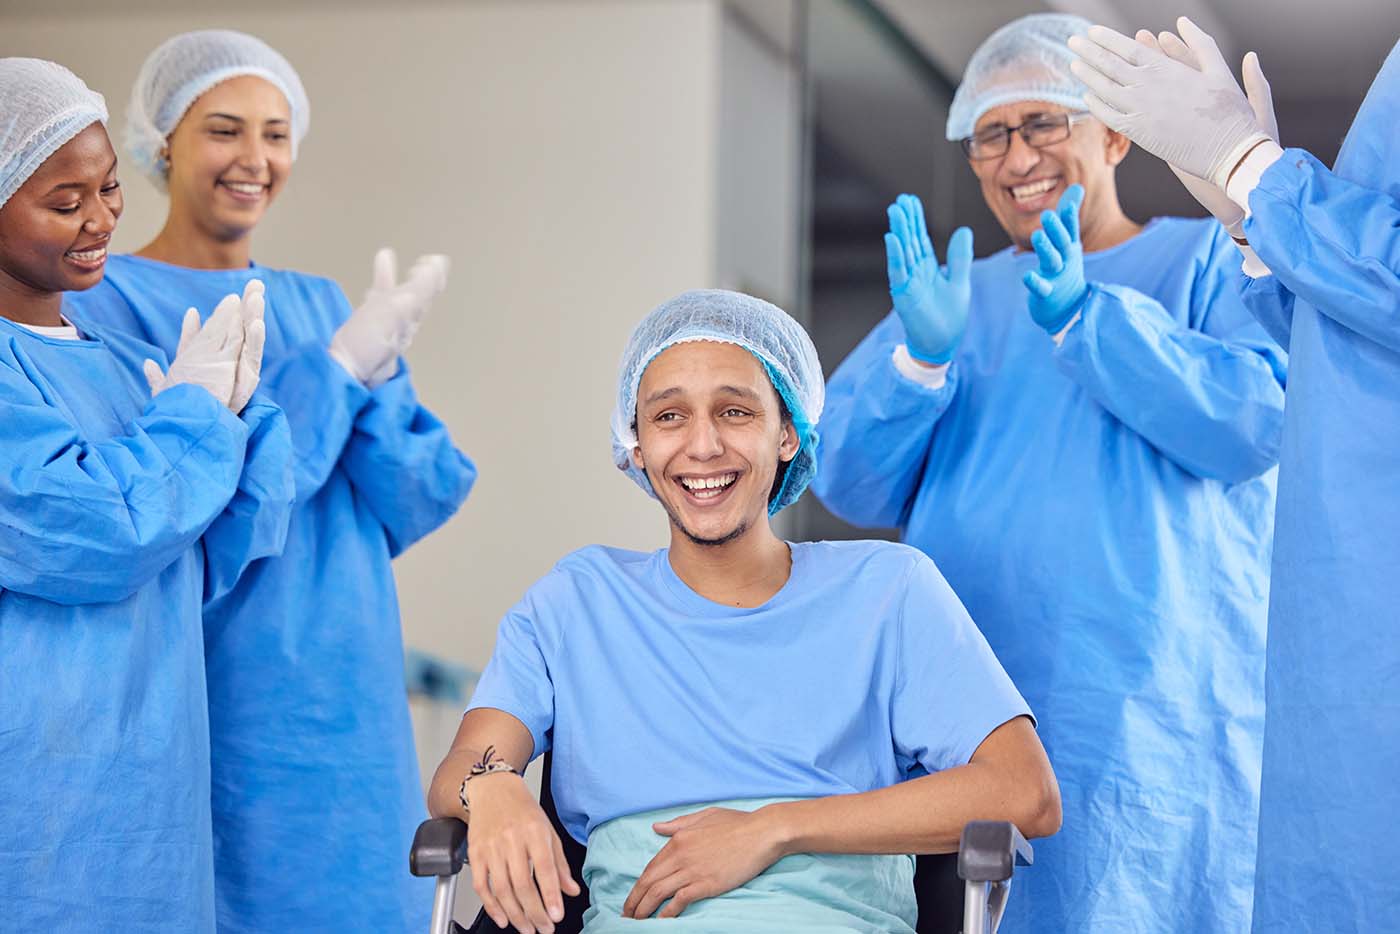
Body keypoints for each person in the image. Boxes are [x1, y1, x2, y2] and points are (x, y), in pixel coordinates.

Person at [812, 12, 1289, 931]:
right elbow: (844, 481)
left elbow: (1257, 423)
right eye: (993, 133)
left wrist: (1087, 320)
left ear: (1114, 133)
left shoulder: (1203, 262)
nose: (1017, 153)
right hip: (969, 698)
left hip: (1150, 709)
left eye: (1045, 123)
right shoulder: (954, 300)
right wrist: (918, 361)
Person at [427, 289, 1060, 934]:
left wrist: (772, 830)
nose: (702, 446)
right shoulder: (576, 601)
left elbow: (1025, 791)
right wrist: (494, 787)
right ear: (635, 443)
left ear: (786, 434)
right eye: (668, 416)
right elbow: (466, 764)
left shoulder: (889, 590)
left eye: (734, 411)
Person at [63, 30, 476, 933]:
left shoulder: (324, 302)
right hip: (214, 679)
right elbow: (195, 500)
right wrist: (331, 375)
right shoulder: (99, 301)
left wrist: (371, 366)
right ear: (163, 139)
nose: (255, 159)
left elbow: (418, 494)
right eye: (224, 129)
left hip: (346, 689)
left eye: (277, 133)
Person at [1069, 20, 1400, 929]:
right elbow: (1347, 339)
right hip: (1340, 621)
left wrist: (1259, 173)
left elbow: (1256, 414)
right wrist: (1254, 222)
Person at [0, 58, 293, 932]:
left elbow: (208, 560)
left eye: (111, 189)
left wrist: (244, 412)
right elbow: (95, 537)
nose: (99, 220)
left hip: (153, 791)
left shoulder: (124, 365)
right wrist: (198, 421)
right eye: (64, 202)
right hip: (44, 792)